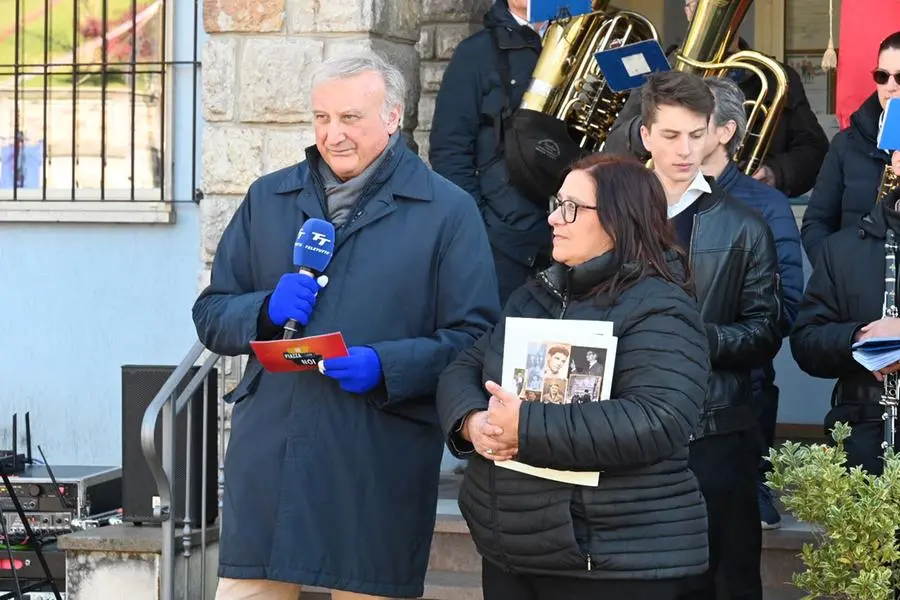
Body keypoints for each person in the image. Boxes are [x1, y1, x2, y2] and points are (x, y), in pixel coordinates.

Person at [193, 52, 501, 600]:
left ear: (392, 117)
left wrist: (388, 365)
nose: (332, 134)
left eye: (350, 118)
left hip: (374, 455)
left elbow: (474, 337)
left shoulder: (446, 210)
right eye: (321, 118)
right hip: (272, 453)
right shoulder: (269, 197)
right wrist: (264, 309)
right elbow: (212, 314)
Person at [436, 154, 712, 600]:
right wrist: (472, 423)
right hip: (513, 548)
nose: (553, 218)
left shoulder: (660, 308)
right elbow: (464, 367)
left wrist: (522, 428)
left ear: (619, 221)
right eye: (556, 203)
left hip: (611, 560)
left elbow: (657, 419)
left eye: (571, 208)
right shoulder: (537, 293)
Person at [638, 70, 782, 600]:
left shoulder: (744, 226)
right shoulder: (604, 213)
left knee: (722, 578)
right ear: (645, 135)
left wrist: (694, 339)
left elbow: (766, 332)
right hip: (622, 426)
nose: (685, 149)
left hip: (714, 429)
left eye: (696, 135)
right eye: (671, 136)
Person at [700, 77, 804, 530]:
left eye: (692, 124)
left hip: (739, 381)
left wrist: (721, 340)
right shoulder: (649, 197)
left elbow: (788, 302)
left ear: (724, 132)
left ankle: (754, 485)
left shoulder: (766, 204)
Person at [604, 0, 829, 200]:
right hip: (666, 210)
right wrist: (648, 129)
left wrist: (777, 172)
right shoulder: (656, 74)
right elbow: (612, 148)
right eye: (697, 3)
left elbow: (815, 150)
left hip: (747, 210)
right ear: (688, 11)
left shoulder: (775, 77)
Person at [429, 0, 551, 306]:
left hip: (578, 229)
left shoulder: (590, 42)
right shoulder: (475, 54)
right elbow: (450, 151)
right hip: (504, 242)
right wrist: (482, 226)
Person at [791, 150, 900, 475]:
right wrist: (860, 336)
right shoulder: (843, 249)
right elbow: (806, 343)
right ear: (897, 160)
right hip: (864, 440)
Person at [801, 31, 900, 263]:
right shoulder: (845, 144)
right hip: (854, 290)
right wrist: (836, 275)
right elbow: (816, 223)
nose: (891, 86)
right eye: (882, 76)